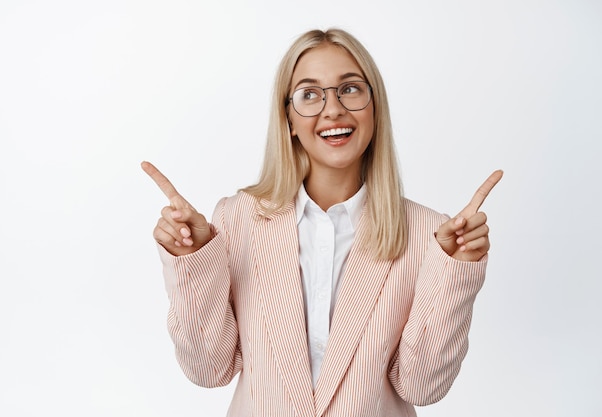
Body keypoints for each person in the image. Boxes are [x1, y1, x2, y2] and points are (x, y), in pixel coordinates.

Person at [142, 28, 502, 417]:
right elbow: (208, 368)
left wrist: (455, 272)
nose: (333, 109)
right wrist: (193, 260)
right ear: (289, 120)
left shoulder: (427, 233)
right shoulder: (237, 218)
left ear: (374, 108)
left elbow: (422, 386)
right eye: (310, 95)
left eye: (350, 89)